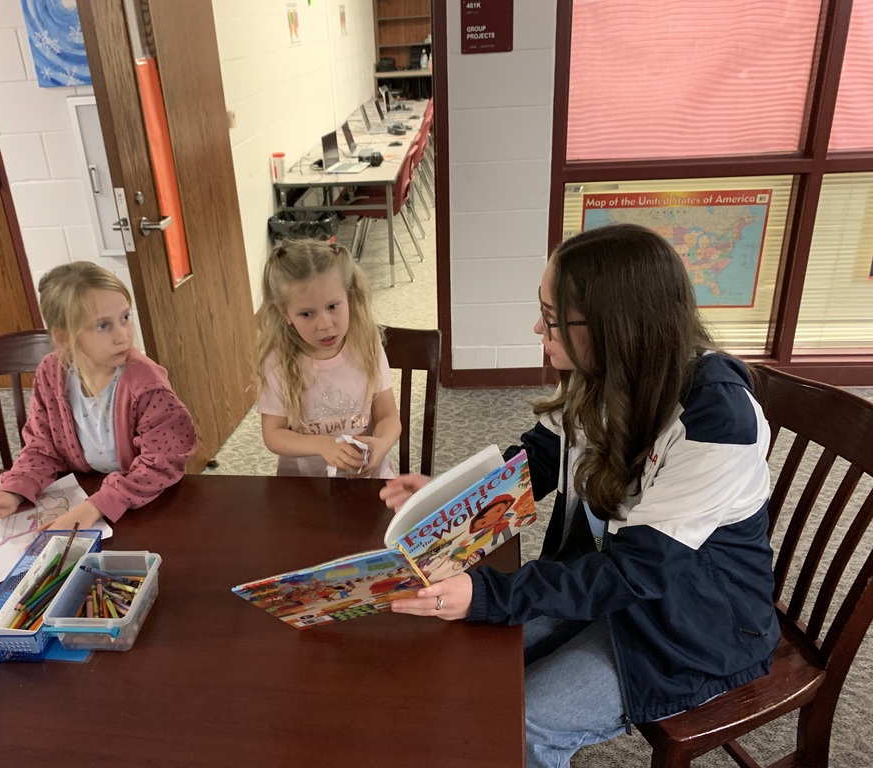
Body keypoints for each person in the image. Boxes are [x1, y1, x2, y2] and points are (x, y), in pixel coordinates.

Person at [382, 223, 779, 768]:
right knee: (467, 657)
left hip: (687, 621)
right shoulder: (604, 373)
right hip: (607, 575)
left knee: (528, 717)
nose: (536, 329)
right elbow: (542, 457)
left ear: (616, 326)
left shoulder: (717, 421)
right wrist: (454, 496)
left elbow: (635, 574)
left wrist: (487, 595)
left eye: (551, 319)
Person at [0, 261, 197, 531]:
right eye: (103, 326)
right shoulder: (51, 373)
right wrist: (14, 491)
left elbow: (162, 461)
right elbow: (43, 447)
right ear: (64, 337)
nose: (123, 336)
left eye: (125, 317)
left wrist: (96, 507)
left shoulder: (146, 383)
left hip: (145, 505)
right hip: (83, 492)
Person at [256, 238, 400, 477]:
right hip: (306, 487)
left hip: (366, 479)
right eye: (306, 313)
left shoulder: (366, 342)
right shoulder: (278, 360)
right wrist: (322, 445)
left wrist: (382, 444)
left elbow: (388, 415)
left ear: (350, 297)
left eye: (333, 306)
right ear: (286, 313)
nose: (324, 325)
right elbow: (273, 434)